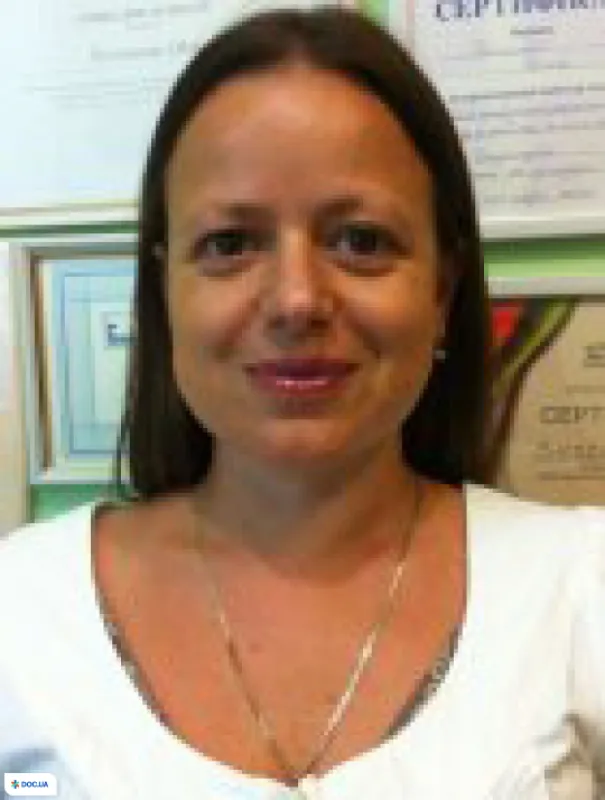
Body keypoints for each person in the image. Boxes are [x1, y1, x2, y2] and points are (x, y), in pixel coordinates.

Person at [0, 7, 604, 799]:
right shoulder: (20, 607)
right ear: (163, 290)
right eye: (230, 244)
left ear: (441, 289)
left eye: (360, 240)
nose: (295, 300)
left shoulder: (577, 585)